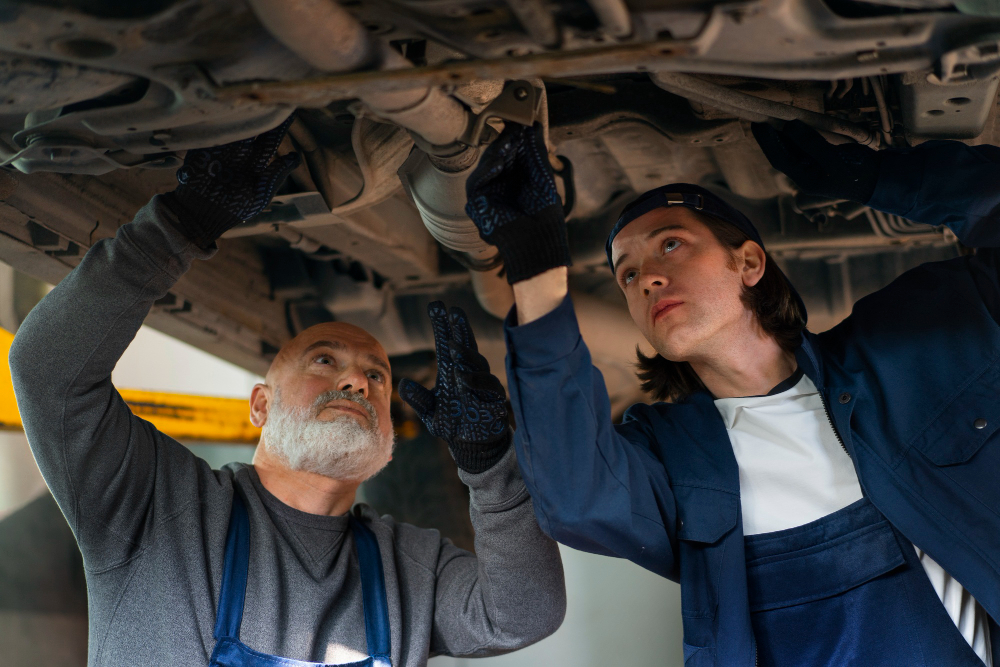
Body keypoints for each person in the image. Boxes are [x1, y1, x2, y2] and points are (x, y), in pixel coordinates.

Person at [9, 117, 565, 667]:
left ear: (391, 436)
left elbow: (522, 615)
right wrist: (180, 224)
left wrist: (490, 464)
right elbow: (47, 370)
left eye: (376, 377)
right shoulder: (156, 507)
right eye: (324, 360)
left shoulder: (408, 570)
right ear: (260, 405)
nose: (355, 381)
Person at [460, 120, 1000, 666]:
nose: (646, 278)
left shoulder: (906, 351)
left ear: (749, 262)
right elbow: (575, 499)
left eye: (671, 245)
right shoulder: (672, 458)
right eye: (626, 275)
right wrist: (536, 272)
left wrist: (876, 175)